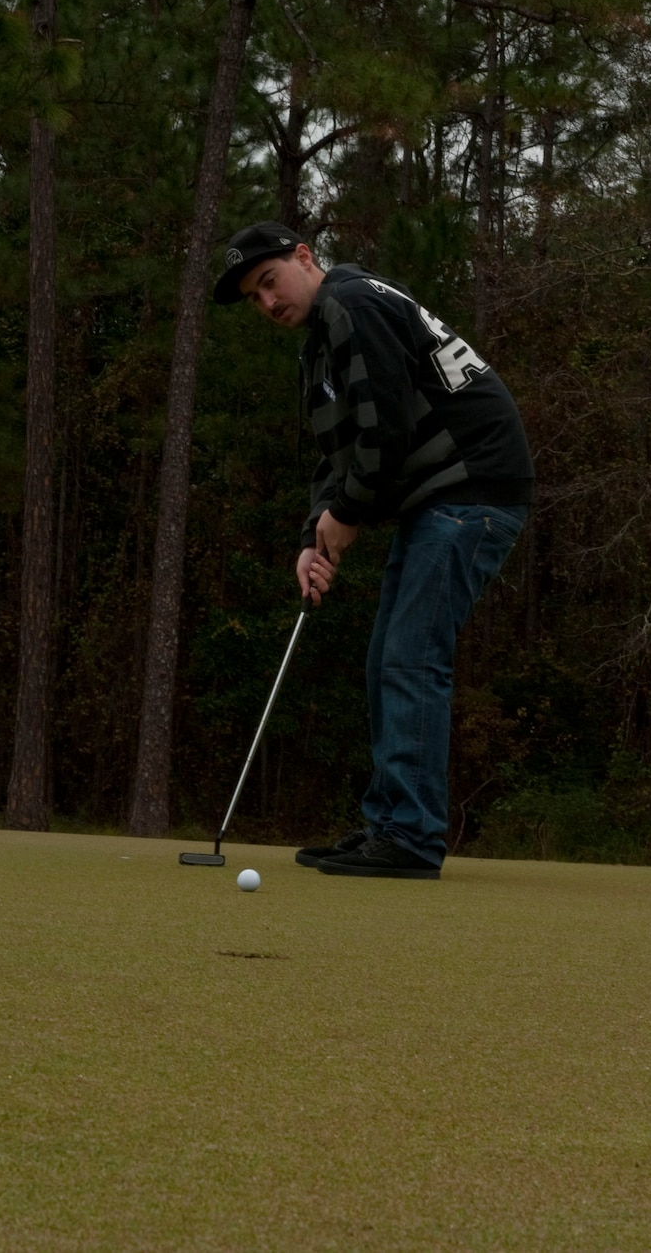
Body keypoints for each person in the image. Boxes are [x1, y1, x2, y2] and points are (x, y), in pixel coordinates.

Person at [214, 222, 534, 880]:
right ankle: (390, 825)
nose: (268, 302)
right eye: (253, 297)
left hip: (473, 487)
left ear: (305, 257)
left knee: (412, 656)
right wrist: (315, 535)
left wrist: (349, 513)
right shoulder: (324, 343)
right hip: (442, 498)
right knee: (389, 654)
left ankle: (412, 838)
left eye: (269, 280)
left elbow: (385, 432)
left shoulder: (353, 304)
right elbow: (344, 455)